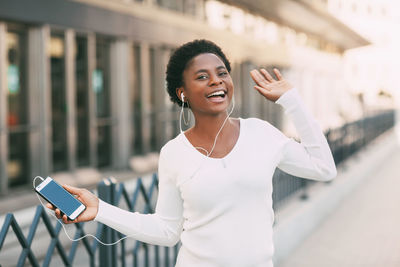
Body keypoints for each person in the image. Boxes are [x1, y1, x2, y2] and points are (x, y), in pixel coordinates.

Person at [48, 39, 337, 266]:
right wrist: (100, 210)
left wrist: (292, 101)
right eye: (202, 76)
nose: (216, 81)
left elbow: (323, 168)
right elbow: (166, 230)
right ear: (182, 92)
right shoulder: (173, 153)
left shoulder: (261, 133)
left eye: (222, 73)